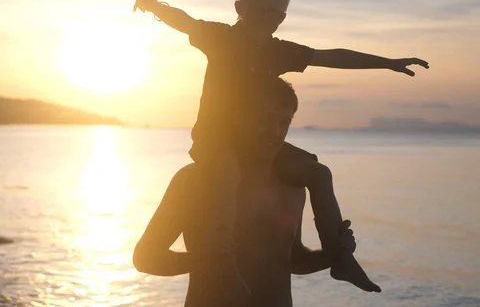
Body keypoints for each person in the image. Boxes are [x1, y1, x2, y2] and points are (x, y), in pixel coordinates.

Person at [127, 0, 429, 297]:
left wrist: (387, 63)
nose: (267, 19)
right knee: (227, 171)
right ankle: (223, 263)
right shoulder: (221, 39)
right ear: (239, 8)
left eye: (275, 13)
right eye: (259, 10)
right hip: (216, 142)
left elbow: (332, 57)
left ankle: (341, 258)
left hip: (254, 147)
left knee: (318, 171)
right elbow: (183, 20)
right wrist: (156, 6)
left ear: (282, 17)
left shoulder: (278, 53)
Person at [133, 78, 358, 307]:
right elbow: (145, 257)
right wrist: (208, 261)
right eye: (264, 119)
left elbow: (294, 260)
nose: (275, 132)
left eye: (284, 122)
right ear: (239, 118)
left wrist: (335, 253)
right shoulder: (196, 181)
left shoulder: (293, 186)